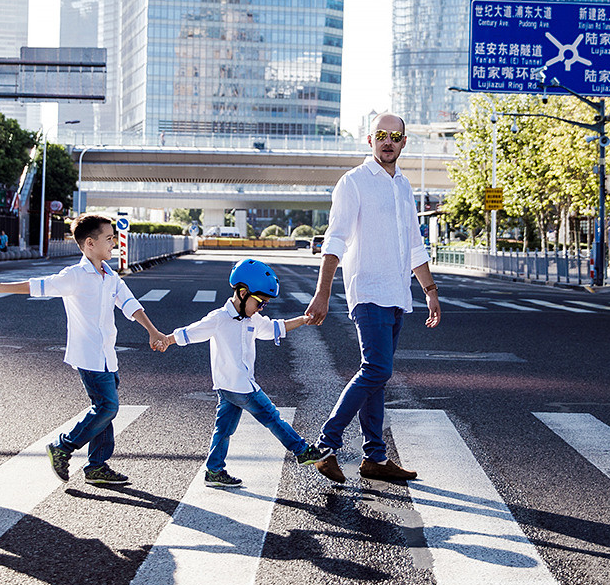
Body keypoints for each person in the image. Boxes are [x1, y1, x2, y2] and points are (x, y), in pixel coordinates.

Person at [305, 112, 441, 484]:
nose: (388, 141)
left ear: (403, 143)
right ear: (370, 140)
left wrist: (430, 291)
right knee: (377, 369)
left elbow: (415, 244)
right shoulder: (354, 183)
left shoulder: (403, 186)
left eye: (395, 136)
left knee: (377, 379)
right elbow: (335, 240)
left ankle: (375, 458)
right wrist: (322, 293)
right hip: (368, 291)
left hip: (397, 294)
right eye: (381, 135)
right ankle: (326, 445)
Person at [0, 214, 165, 485]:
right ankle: (63, 447)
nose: (114, 243)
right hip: (89, 354)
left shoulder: (110, 275)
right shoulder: (75, 276)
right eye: (109, 238)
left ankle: (97, 466)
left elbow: (129, 304)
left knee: (104, 409)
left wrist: (153, 331)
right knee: (107, 407)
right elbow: (38, 287)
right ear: (89, 243)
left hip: (108, 354)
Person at [153, 259, 331, 487]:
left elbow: (274, 328)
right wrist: (167, 340)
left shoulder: (252, 319)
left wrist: (303, 321)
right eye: (260, 302)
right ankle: (301, 450)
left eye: (264, 304)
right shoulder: (219, 318)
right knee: (272, 417)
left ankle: (214, 471)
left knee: (224, 429)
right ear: (243, 292)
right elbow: (192, 332)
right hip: (242, 387)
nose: (261, 308)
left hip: (228, 388)